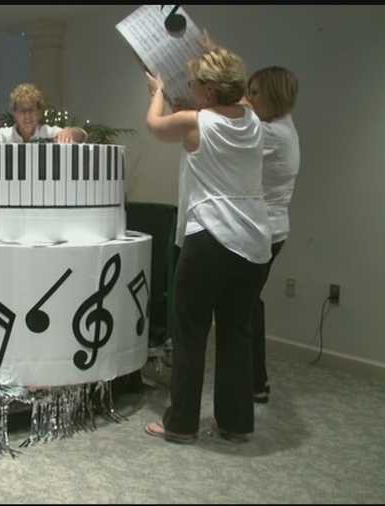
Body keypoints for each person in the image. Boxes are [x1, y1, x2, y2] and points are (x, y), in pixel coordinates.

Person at [142, 47, 271, 444]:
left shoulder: (194, 122)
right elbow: (232, 90)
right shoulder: (254, 118)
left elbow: (154, 124)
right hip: (254, 243)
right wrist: (210, 50)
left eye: (196, 84)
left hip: (210, 239)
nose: (191, 88)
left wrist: (158, 89)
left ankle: (181, 424)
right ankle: (235, 423)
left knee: (190, 332)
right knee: (237, 332)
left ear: (211, 91)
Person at [241, 67, 300, 404]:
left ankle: (254, 382)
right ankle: (255, 381)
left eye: (256, 92)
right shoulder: (280, 126)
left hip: (264, 231)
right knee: (250, 305)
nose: (250, 99)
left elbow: (236, 120)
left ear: (274, 96)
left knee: (244, 308)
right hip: (272, 229)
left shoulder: (273, 134)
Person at [0, 83, 88, 144]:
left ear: (39, 113)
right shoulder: (5, 135)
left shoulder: (48, 132)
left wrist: (69, 131)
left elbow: (83, 136)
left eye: (31, 110)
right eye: (22, 111)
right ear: (14, 114)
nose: (27, 116)